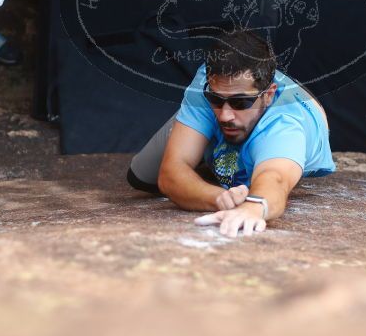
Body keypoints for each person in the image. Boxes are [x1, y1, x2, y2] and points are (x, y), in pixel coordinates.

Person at [127, 30, 336, 237]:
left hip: (278, 125)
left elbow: (276, 178)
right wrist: (220, 198)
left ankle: (207, 150)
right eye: (215, 100)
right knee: (142, 175)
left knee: (251, 179)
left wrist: (253, 208)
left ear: (269, 95)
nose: (226, 115)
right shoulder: (214, 83)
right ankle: (205, 144)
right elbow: (170, 175)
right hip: (238, 93)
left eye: (240, 102)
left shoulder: (285, 126)